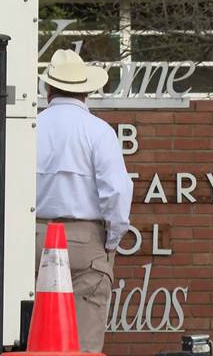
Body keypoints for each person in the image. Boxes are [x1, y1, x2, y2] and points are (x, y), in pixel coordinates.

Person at [36, 49, 134, 352]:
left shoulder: (30, 126)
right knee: (84, 341)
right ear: (86, 91)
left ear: (48, 88)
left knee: (31, 334)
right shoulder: (98, 131)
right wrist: (112, 240)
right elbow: (117, 191)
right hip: (84, 237)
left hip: (32, 233)